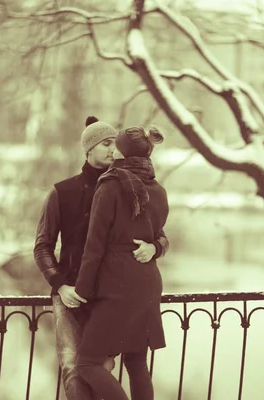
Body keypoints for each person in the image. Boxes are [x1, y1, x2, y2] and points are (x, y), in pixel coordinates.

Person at [34, 117, 169, 400]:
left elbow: (158, 232)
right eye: (106, 144)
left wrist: (156, 247)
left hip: (110, 291)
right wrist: (60, 284)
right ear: (89, 148)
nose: (112, 150)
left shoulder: (129, 185)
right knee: (75, 367)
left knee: (104, 366)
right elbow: (43, 246)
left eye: (115, 144)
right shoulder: (62, 192)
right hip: (73, 292)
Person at [74, 125, 169, 400]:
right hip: (148, 284)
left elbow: (95, 246)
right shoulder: (158, 190)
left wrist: (82, 290)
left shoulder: (110, 186)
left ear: (123, 151)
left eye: (116, 144)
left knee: (87, 363)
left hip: (118, 286)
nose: (112, 148)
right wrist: (155, 247)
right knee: (137, 363)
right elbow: (159, 234)